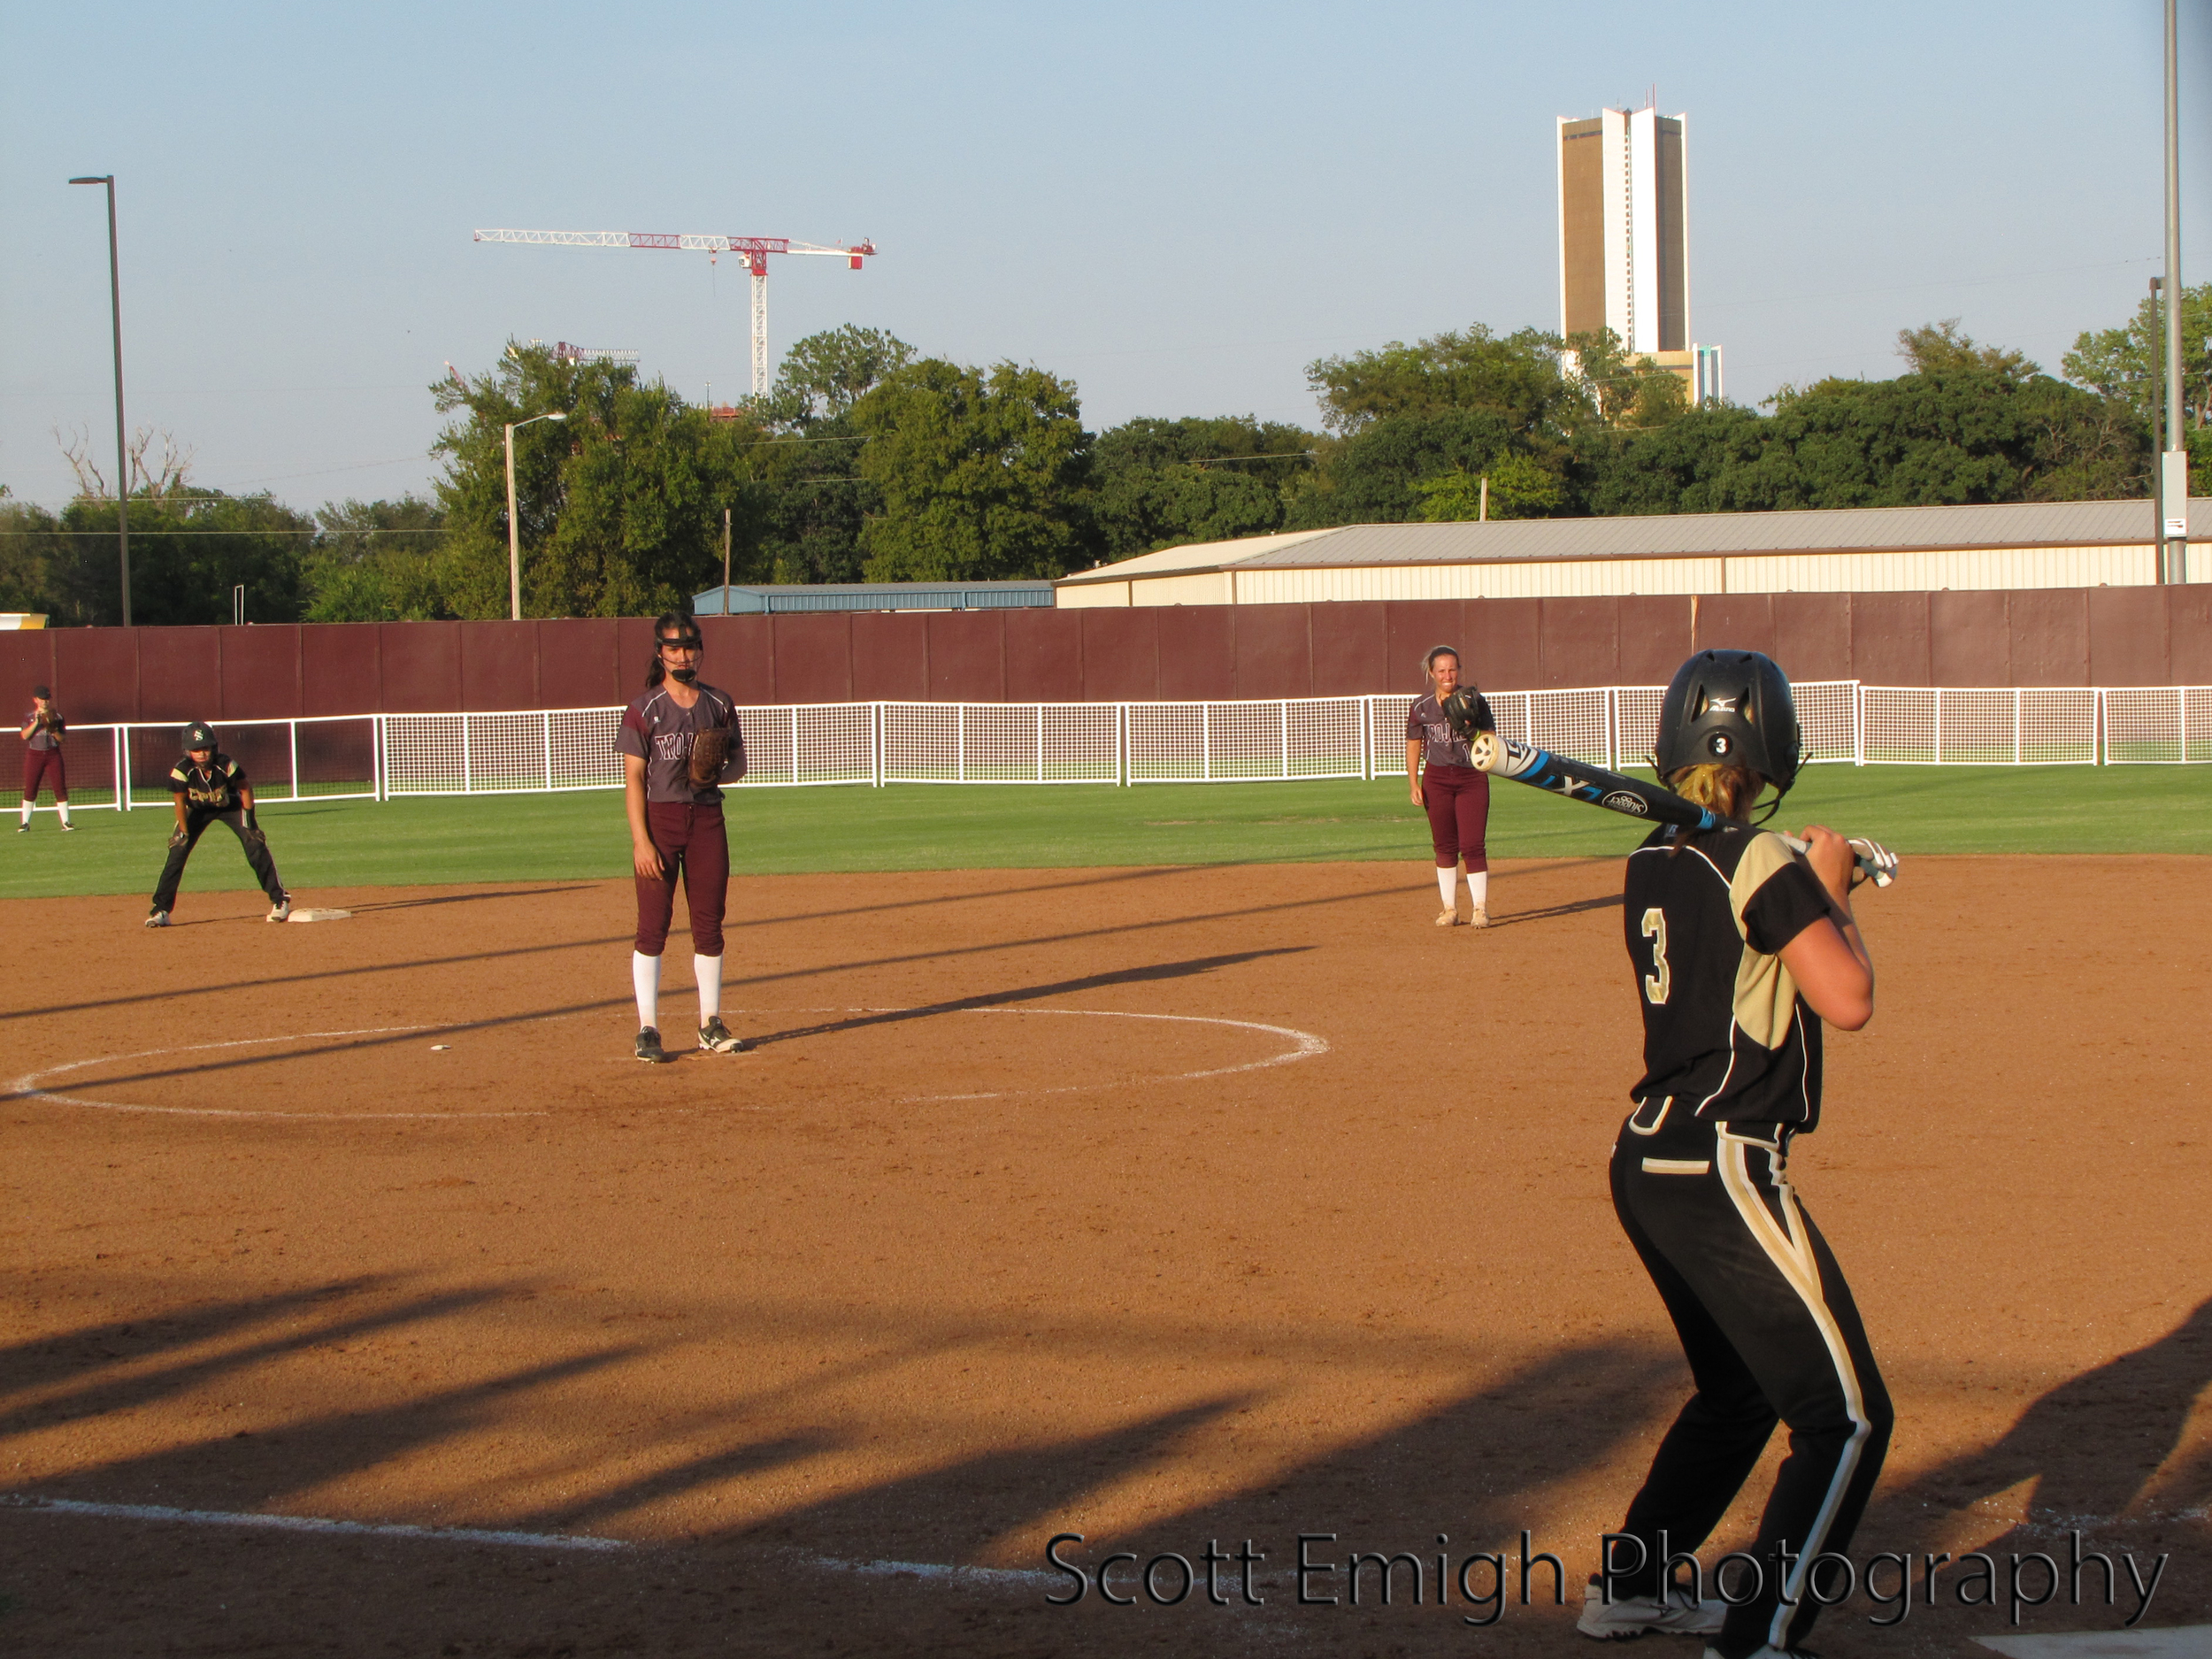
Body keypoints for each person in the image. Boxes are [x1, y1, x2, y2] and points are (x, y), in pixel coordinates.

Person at [1576, 650, 1893, 1659]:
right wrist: (1830, 891)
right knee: (1843, 1419)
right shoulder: (1760, 861)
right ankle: (1762, 1638)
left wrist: (1803, 880)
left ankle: (1632, 1586)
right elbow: (1847, 1001)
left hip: (1650, 1162)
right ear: (1775, 749)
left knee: (1743, 1392)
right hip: (1721, 1163)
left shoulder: (1655, 858)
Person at [618, 611, 749, 1063]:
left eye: (690, 647)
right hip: (661, 821)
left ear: (701, 651)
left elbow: (738, 764)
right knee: (652, 925)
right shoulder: (644, 709)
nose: (683, 655)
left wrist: (716, 772)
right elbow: (634, 779)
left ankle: (710, 1024)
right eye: (673, 648)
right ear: (660, 653)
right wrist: (641, 840)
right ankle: (648, 1029)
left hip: (707, 820)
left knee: (709, 924)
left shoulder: (720, 704)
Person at [146, 720, 291, 926]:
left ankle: (280, 900)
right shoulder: (181, 770)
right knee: (177, 852)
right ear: (188, 751)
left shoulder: (226, 764)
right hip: (196, 811)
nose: (202, 754)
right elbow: (179, 801)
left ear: (214, 748)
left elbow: (245, 789)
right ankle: (160, 910)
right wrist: (183, 833)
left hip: (229, 807)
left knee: (255, 845)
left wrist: (250, 823)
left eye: (205, 748)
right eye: (197, 750)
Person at [1404, 646, 1493, 926]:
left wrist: (1471, 729)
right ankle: (1450, 909)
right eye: (1441, 670)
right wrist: (1413, 782)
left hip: (1471, 777)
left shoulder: (1475, 701)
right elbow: (1414, 743)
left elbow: (1490, 740)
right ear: (1431, 673)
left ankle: (1479, 909)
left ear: (1459, 670)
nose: (1447, 675)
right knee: (1444, 845)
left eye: (1452, 669)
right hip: (1437, 778)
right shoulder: (1422, 707)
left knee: (1472, 844)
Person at [19, 683, 73, 832]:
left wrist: (54, 729)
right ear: (35, 700)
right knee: (30, 788)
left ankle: (66, 822)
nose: (45, 701)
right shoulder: (29, 717)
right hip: (34, 754)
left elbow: (62, 739)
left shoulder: (57, 716)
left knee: (59, 787)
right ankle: (25, 823)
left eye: (47, 698)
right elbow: (24, 735)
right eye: (42, 699)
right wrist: (37, 722)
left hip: (53, 754)